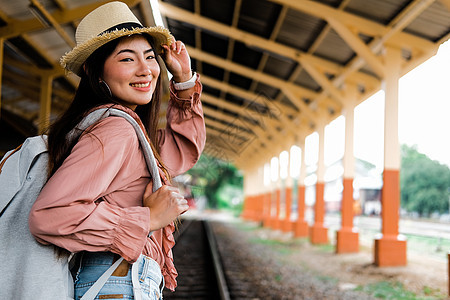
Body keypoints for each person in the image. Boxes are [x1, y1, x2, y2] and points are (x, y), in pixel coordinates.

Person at [28, 1, 205, 299]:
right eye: (127, 59)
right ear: (94, 71)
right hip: (117, 284)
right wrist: (146, 219)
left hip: (117, 282)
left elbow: (179, 151)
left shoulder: (124, 129)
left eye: (149, 57)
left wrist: (184, 79)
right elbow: (49, 214)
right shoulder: (115, 129)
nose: (146, 70)